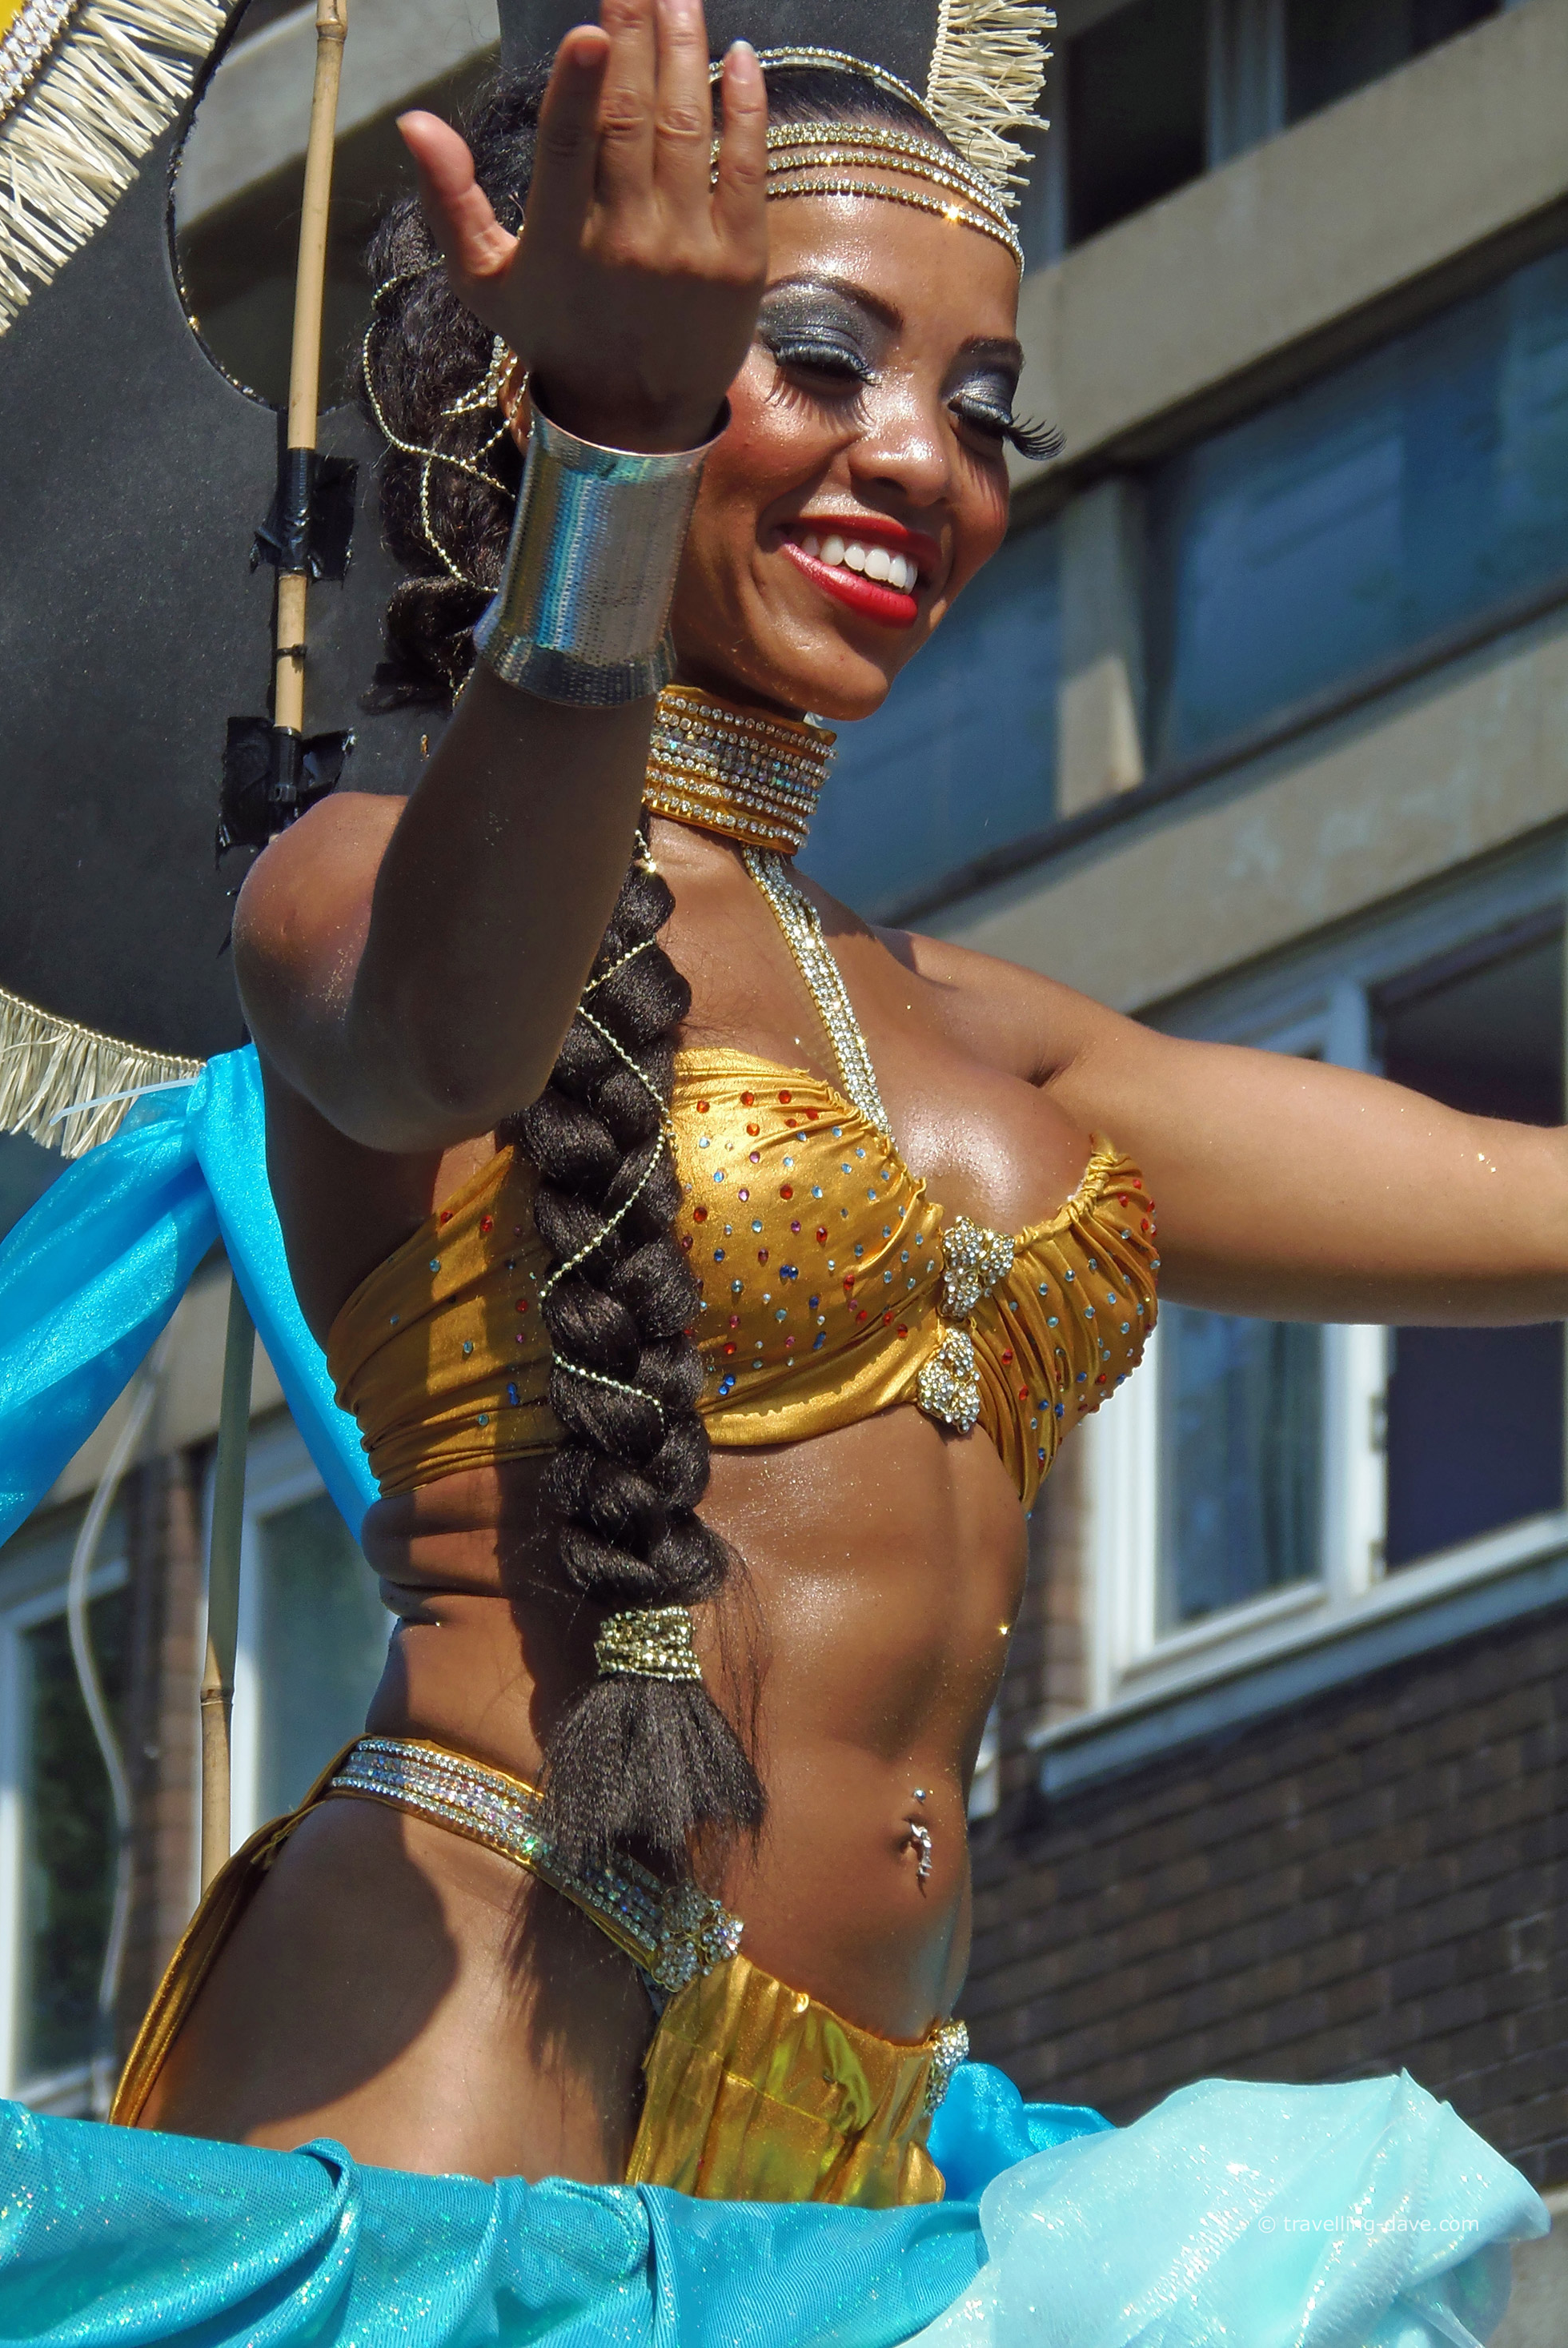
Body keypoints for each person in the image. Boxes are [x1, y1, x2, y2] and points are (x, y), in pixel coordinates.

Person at [97, 0, 1562, 2233]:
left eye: (979, 410)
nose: (920, 461)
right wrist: (616, 449)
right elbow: (455, 1039)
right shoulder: (357, 884)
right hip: (463, 2036)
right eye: (816, 360)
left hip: (849, 2155)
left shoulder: (998, 1035)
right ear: (562, 361)